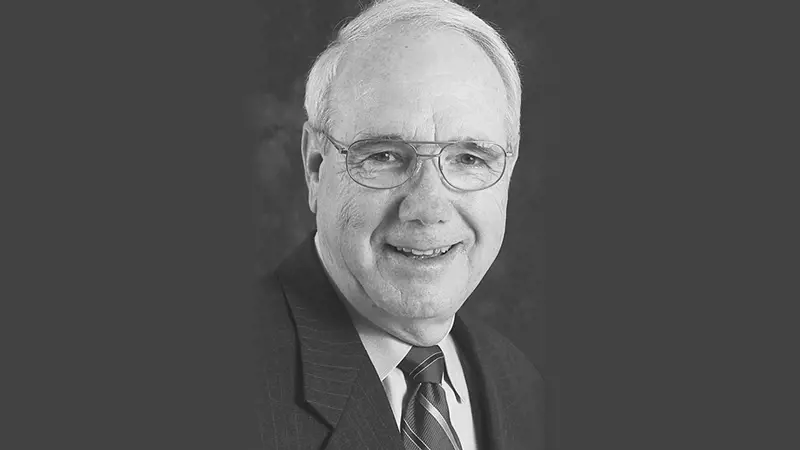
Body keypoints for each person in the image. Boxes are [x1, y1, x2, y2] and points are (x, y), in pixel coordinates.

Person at [255, 0, 544, 448]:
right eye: (385, 156)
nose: (428, 208)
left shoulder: (521, 386)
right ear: (315, 165)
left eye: (470, 158)